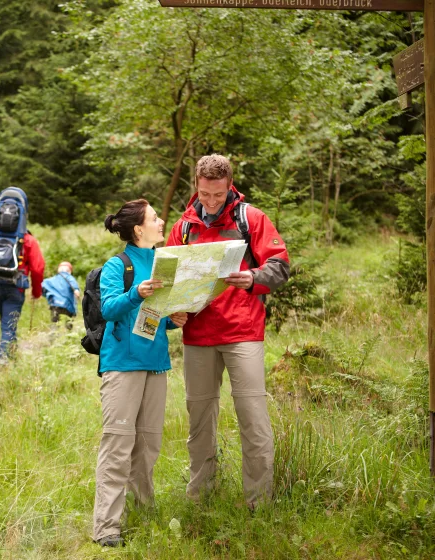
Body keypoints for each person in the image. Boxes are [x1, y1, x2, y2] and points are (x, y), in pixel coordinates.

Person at [166, 154, 290, 509]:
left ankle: (259, 503)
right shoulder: (184, 226)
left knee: (253, 419)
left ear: (229, 186)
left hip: (242, 331)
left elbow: (280, 267)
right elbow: (168, 278)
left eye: (218, 195)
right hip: (198, 335)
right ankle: (200, 500)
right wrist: (173, 306)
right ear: (196, 185)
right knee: (199, 423)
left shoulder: (251, 218)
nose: (210, 202)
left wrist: (252, 278)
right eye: (204, 194)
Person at [93, 199, 188, 547]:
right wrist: (137, 291)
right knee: (118, 446)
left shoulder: (165, 263)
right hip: (122, 366)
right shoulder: (117, 265)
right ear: (138, 229)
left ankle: (144, 515)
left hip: (156, 364)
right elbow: (109, 308)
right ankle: (107, 528)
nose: (162, 221)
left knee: (148, 447)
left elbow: (157, 315)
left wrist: (175, 320)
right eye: (155, 218)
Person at [0, 212, 45, 363]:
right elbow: (37, 268)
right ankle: (2, 359)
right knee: (9, 324)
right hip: (15, 287)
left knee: (6, 321)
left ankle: (13, 355)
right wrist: (36, 292)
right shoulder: (28, 240)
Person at [41, 261, 80, 330]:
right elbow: (74, 285)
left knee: (54, 323)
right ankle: (69, 337)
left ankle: (52, 339)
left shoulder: (52, 280)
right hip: (68, 306)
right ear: (69, 271)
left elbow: (42, 286)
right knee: (69, 324)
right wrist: (76, 290)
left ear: (59, 269)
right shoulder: (70, 277)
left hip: (55, 304)